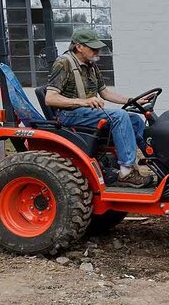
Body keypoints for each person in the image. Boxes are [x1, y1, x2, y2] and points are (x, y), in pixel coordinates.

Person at [45, 28, 152, 188]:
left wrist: (133, 100)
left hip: (88, 113)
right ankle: (126, 172)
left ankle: (155, 161)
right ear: (79, 47)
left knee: (134, 119)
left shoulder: (91, 65)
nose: (97, 51)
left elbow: (105, 93)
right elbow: (50, 98)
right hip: (69, 114)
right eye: (93, 47)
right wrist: (82, 102)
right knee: (119, 115)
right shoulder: (63, 63)